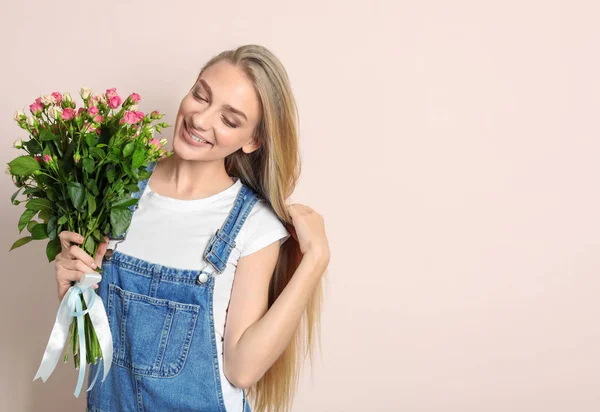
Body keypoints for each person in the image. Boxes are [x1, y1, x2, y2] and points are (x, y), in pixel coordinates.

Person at [54, 44, 330, 412]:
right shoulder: (115, 189)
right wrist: (69, 290)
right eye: (201, 95)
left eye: (229, 120)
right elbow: (94, 341)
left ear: (253, 141)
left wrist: (315, 260)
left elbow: (242, 369)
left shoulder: (252, 225)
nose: (200, 120)